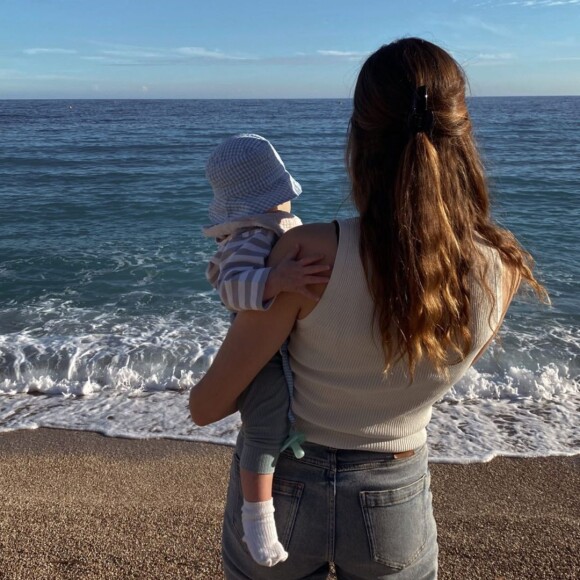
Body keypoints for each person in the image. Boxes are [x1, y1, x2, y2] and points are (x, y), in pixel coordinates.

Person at [190, 38, 547, 579]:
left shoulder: (307, 252)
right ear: (462, 133)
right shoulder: (503, 266)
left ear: (358, 139)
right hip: (394, 492)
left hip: (283, 482)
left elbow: (207, 405)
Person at [202, 133, 330, 567]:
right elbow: (231, 288)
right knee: (263, 428)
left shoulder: (265, 228)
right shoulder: (253, 235)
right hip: (261, 359)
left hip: (274, 349)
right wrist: (279, 282)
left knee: (278, 419)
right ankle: (257, 519)